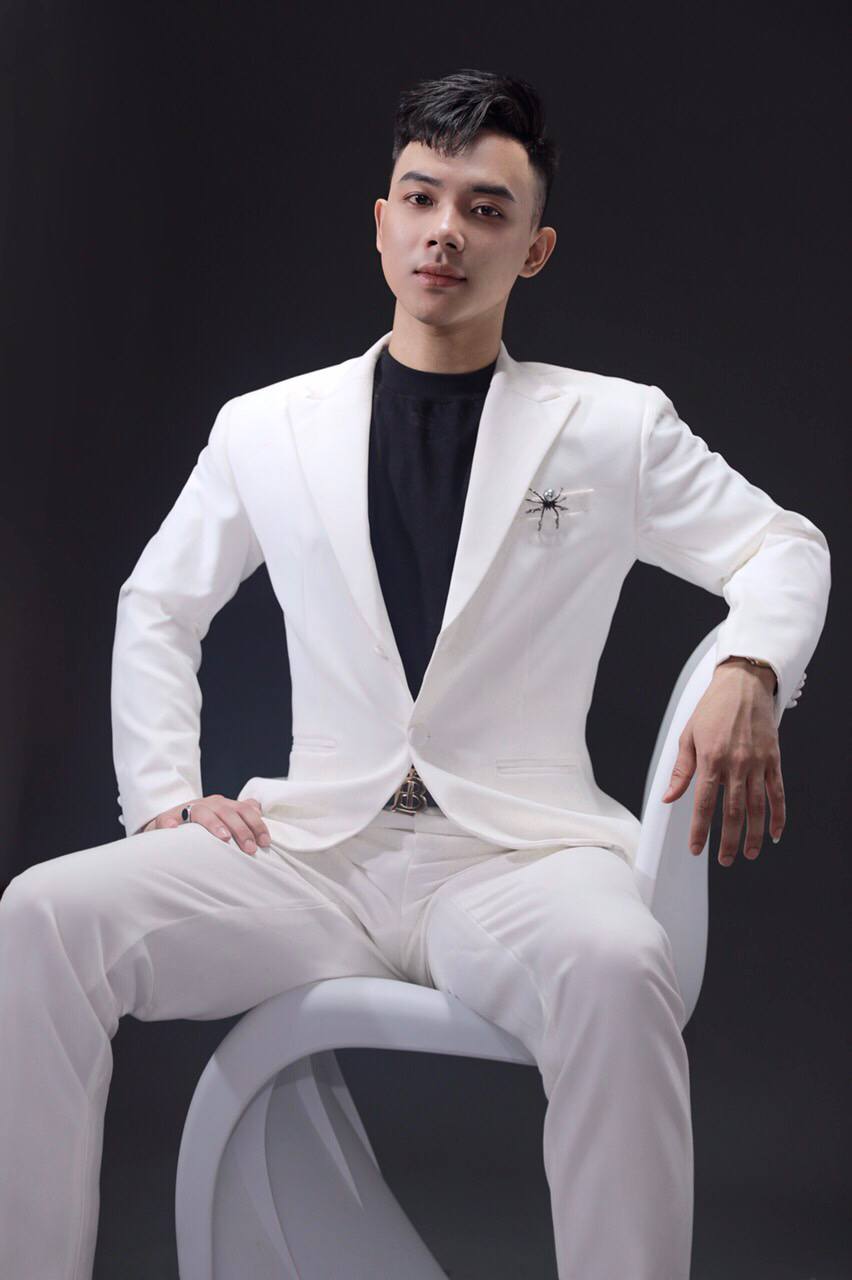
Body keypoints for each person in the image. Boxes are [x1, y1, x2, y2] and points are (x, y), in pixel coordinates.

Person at [0, 67, 830, 1280]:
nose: (448, 230)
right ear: (382, 221)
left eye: (486, 209)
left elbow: (784, 544)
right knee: (41, 916)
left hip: (520, 862)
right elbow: (160, 603)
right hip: (309, 857)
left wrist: (751, 663)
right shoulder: (266, 425)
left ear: (533, 248)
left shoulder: (613, 426)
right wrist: (163, 796)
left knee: (618, 962)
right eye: (423, 198)